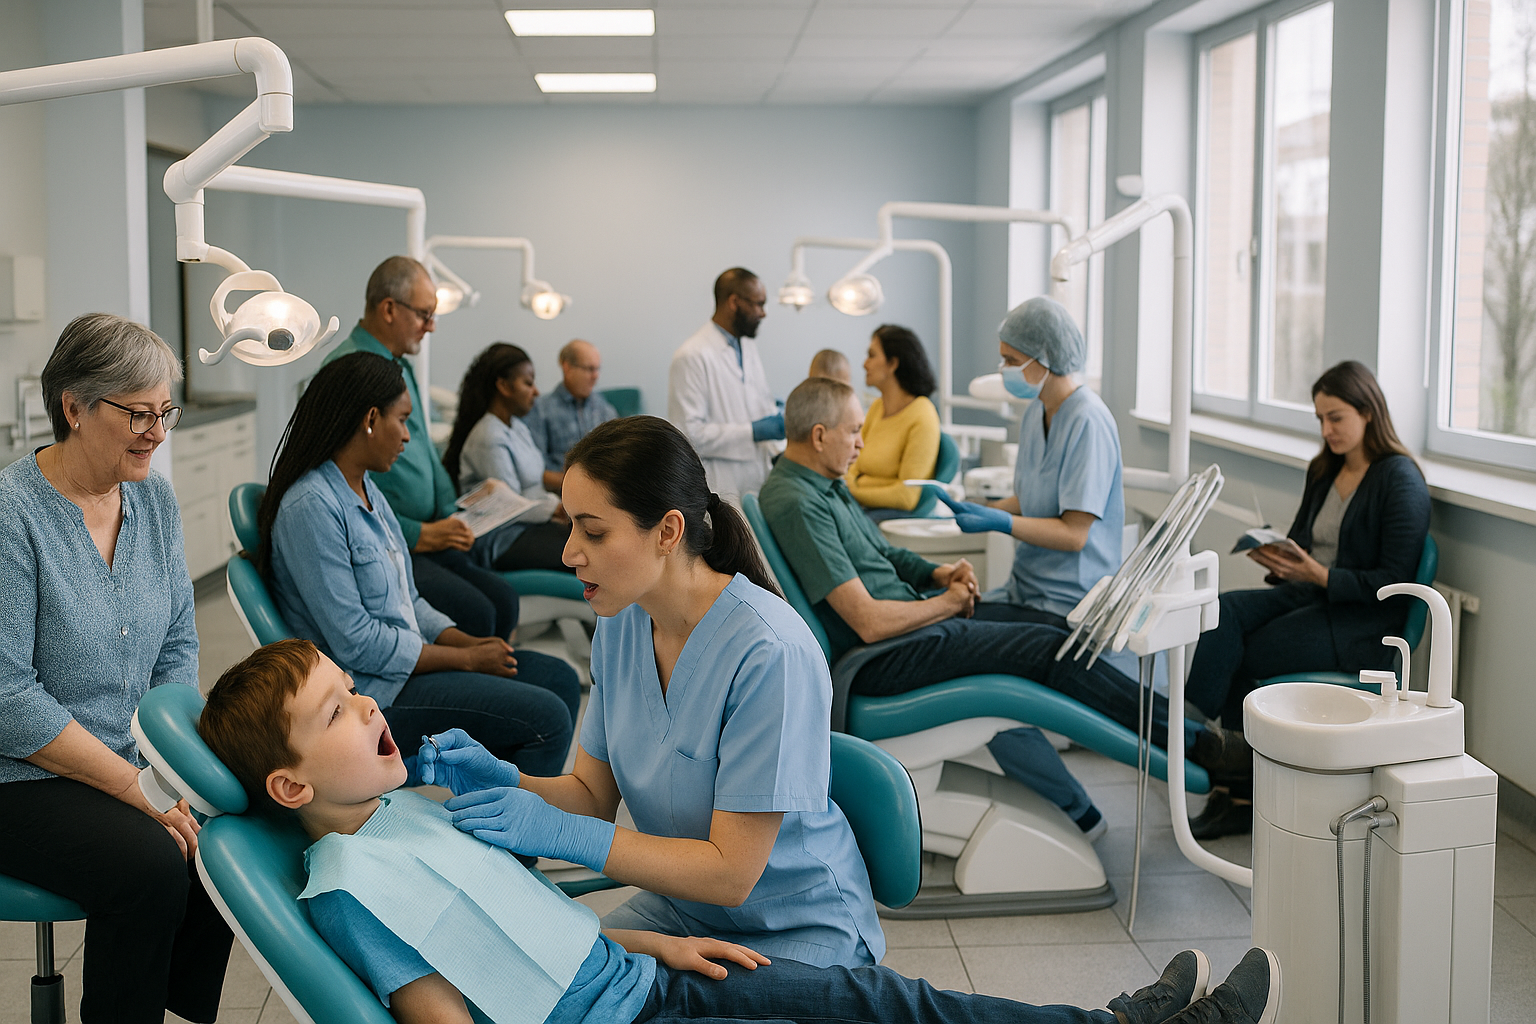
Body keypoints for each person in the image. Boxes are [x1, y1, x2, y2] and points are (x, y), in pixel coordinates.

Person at [196, 637, 1284, 1024]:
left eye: (357, 689)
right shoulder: (347, 885)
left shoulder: (408, 816)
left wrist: (660, 943)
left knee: (880, 997)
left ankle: (1116, 1023)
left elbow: (523, 919)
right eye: (336, 710)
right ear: (288, 785)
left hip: (653, 980)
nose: (371, 707)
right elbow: (441, 1012)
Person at [438, 415, 882, 969]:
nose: (569, 552)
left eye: (593, 531)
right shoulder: (622, 622)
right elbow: (591, 797)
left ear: (668, 532)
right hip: (684, 912)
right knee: (529, 980)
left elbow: (730, 873)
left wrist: (556, 832)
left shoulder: (770, 653)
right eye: (570, 527)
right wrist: (511, 782)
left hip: (795, 927)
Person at [758, 378, 1251, 829]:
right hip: (882, 658)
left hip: (908, 628)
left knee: (1053, 634)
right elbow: (866, 622)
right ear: (819, 436)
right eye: (854, 432)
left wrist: (938, 574)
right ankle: (1196, 745)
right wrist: (949, 604)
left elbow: (883, 555)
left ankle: (1146, 763)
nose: (862, 442)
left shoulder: (825, 485)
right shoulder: (798, 502)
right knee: (1047, 653)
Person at [0, 313, 233, 1022]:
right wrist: (139, 788)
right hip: (24, 773)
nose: (157, 433)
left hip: (129, 754)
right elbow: (8, 699)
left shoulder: (152, 499)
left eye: (165, 412)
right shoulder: (13, 516)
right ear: (74, 407)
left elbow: (178, 645)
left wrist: (177, 763)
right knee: (150, 867)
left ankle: (163, 1010)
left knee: (225, 829)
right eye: (138, 414)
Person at [258, 352, 580, 777]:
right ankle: (510, 838)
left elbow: (410, 600)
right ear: (371, 419)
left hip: (403, 672)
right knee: (547, 719)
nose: (407, 437)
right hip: (373, 693)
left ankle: (499, 822)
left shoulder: (367, 490)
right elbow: (357, 643)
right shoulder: (311, 507)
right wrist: (462, 660)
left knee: (560, 678)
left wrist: (468, 643)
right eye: (403, 420)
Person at [1182, 360, 1431, 838]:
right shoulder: (1325, 469)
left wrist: (1319, 574)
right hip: (1311, 595)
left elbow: (1394, 581)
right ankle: (1198, 733)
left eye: (1335, 417)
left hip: (1361, 620)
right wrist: (1279, 558)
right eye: (1320, 419)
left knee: (1245, 653)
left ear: (1368, 412)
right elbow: (1301, 540)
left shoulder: (1399, 480)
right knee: (1223, 611)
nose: (1326, 429)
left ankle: (1227, 777)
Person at [325, 255, 518, 642]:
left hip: (429, 532)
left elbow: (427, 451)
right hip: (395, 539)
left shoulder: (401, 367)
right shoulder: (347, 372)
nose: (431, 326)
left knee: (504, 600)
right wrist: (420, 533)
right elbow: (343, 480)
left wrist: (452, 515)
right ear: (389, 309)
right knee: (478, 613)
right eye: (424, 314)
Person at [936, 297, 1124, 632]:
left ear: (1046, 357)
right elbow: (1032, 501)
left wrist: (1000, 520)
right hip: (1024, 590)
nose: (1004, 369)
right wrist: (980, 508)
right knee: (943, 615)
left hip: (1069, 603)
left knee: (950, 631)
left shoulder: (1088, 421)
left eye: (1012, 360)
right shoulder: (1037, 411)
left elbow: (1074, 535)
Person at [442, 343, 572, 574]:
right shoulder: (488, 436)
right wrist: (556, 509)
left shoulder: (517, 427)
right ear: (503, 386)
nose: (536, 392)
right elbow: (508, 506)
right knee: (590, 551)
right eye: (528, 383)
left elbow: (534, 481)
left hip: (532, 524)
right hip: (502, 539)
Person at [668, 267, 783, 501]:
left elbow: (759, 402)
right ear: (734, 302)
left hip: (757, 475)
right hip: (720, 483)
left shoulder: (747, 347)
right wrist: (753, 431)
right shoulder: (691, 355)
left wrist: (775, 416)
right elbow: (688, 435)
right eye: (758, 304)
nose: (763, 313)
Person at [845, 324, 942, 519]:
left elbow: (906, 496)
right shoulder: (876, 407)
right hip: (863, 509)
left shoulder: (923, 415)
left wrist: (854, 490)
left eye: (872, 355)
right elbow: (851, 464)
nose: (865, 364)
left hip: (889, 517)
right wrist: (862, 485)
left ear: (893, 364)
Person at [526, 338, 617, 485]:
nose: (596, 376)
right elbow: (536, 471)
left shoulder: (603, 406)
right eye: (589, 369)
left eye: (597, 369)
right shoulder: (541, 409)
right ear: (567, 368)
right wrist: (580, 486)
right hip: (562, 492)